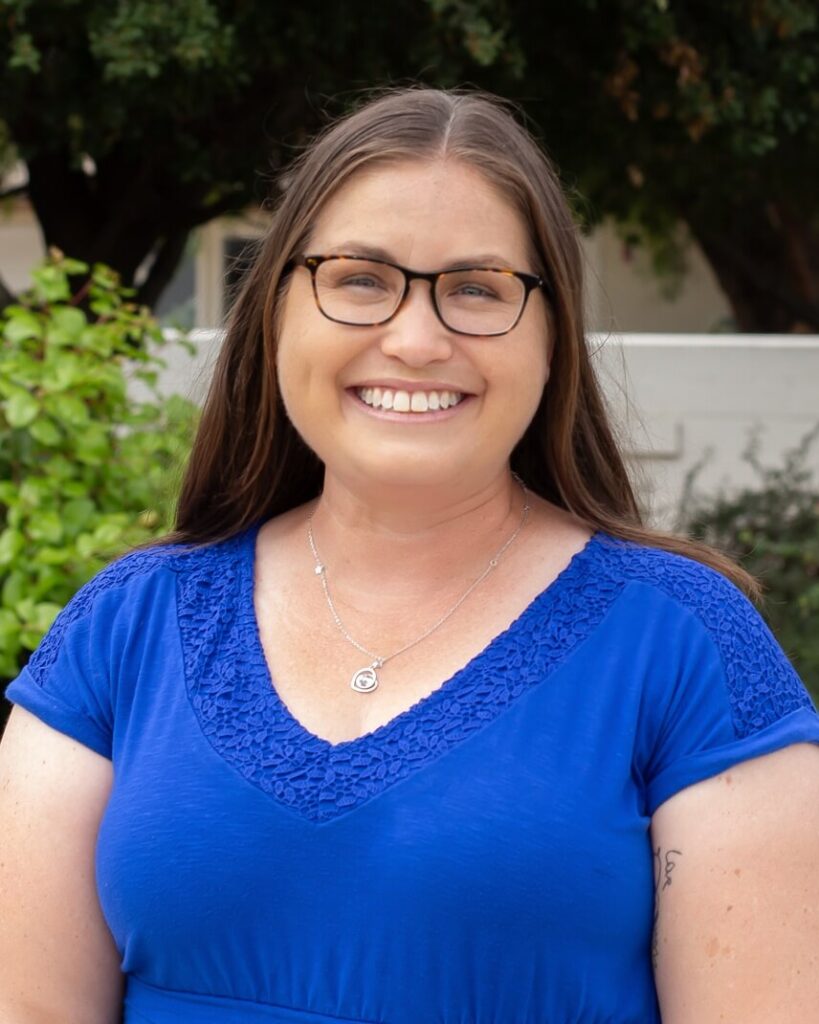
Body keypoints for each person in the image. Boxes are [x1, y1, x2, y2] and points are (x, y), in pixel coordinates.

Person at [1, 86, 818, 1024]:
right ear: (276, 313)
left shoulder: (686, 649)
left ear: (552, 339)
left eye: (477, 289)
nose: (416, 338)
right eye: (358, 278)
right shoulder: (124, 628)